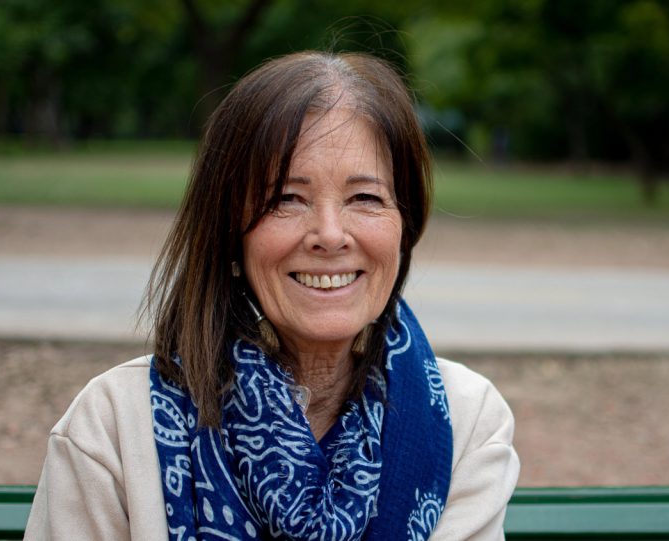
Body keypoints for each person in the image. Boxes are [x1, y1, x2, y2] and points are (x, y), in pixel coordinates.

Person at [25, 51, 519, 540]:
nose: (329, 234)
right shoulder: (112, 425)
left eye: (365, 198)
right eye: (286, 199)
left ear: (403, 227)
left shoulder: (466, 420)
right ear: (229, 233)